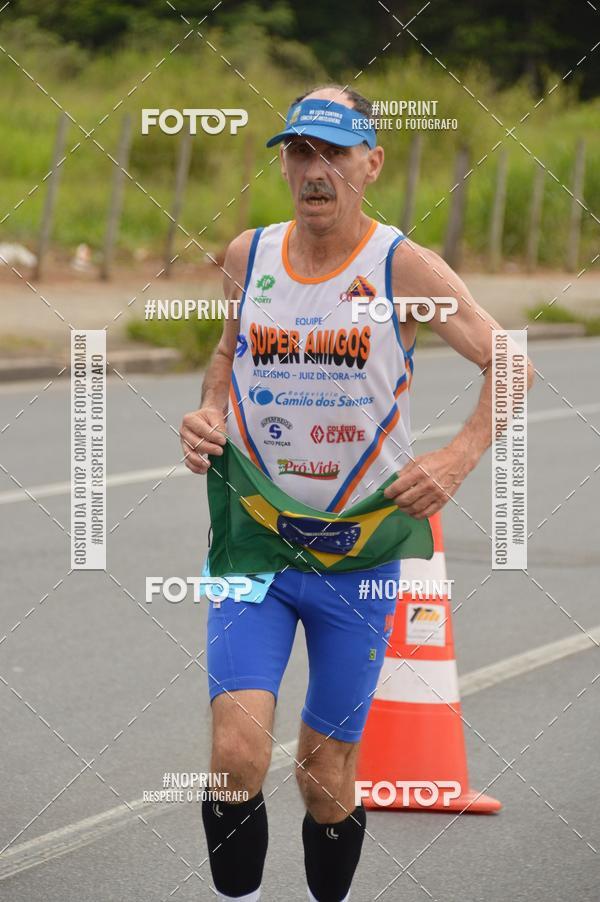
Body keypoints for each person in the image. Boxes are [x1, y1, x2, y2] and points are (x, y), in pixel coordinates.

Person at [179, 85, 533, 902]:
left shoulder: (400, 264)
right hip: (253, 537)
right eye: (300, 150)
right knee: (236, 753)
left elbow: (509, 360)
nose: (315, 168)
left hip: (358, 553)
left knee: (321, 769)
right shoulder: (247, 254)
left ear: (371, 164)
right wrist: (206, 411)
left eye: (335, 151)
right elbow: (227, 354)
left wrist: (457, 457)